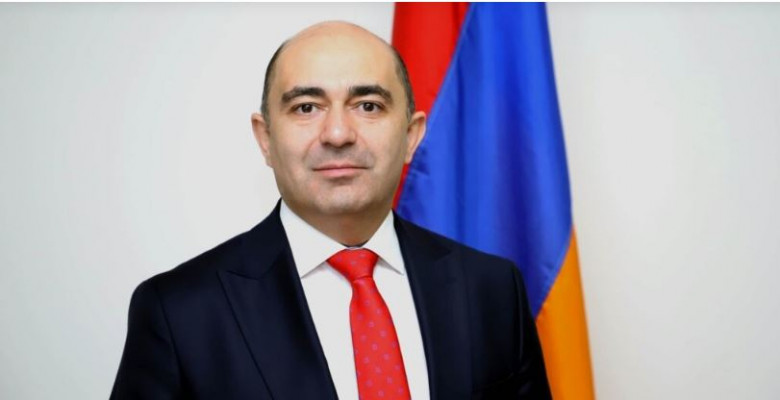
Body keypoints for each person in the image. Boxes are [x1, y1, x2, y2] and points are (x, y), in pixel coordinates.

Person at [111, 21, 551, 400]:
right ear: (265, 138)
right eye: (306, 107)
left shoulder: (493, 289)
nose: (338, 133)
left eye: (368, 106)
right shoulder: (178, 311)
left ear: (411, 136)